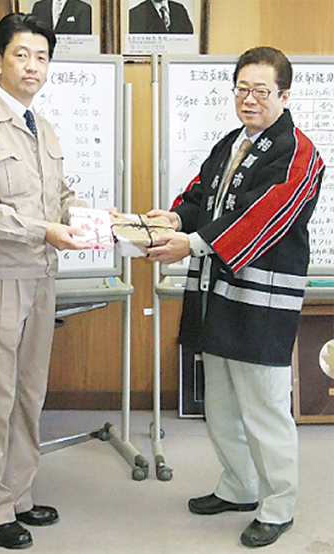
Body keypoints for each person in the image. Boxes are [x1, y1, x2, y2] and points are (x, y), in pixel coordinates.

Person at [146, 47, 325, 548]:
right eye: (242, 89)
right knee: (222, 402)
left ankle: (278, 505)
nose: (249, 99)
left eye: (261, 91)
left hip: (262, 301)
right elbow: (202, 195)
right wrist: (175, 218)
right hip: (218, 293)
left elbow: (262, 216)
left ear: (284, 95)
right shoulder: (232, 142)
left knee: (264, 407)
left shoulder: (299, 152)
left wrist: (190, 243)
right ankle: (239, 486)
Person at [0, 13, 91, 550]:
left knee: (29, 392)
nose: (32, 66)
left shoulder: (41, 127)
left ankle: (19, 494)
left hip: (40, 278)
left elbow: (59, 197)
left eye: (42, 57)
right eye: (21, 54)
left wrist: (92, 219)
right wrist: (43, 230)